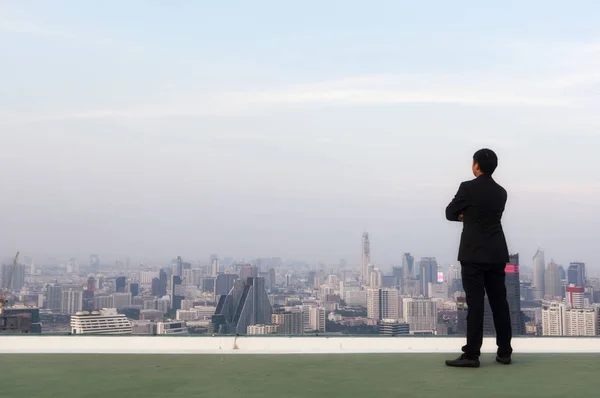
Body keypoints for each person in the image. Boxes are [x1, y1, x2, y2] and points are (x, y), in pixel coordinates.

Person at [444, 148, 513, 368]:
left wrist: (464, 216)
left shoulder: (467, 188)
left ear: (476, 165)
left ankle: (472, 354)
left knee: (475, 305)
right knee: (499, 303)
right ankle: (504, 352)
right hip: (496, 253)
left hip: (473, 254)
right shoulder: (501, 192)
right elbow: (489, 215)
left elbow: (449, 212)